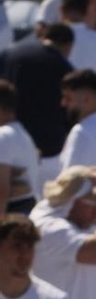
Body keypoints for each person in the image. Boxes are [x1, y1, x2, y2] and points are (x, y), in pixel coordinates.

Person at [0, 23, 70, 175]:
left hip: (7, 139)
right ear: (67, 46)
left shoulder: (10, 52)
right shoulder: (63, 66)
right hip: (47, 149)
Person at [0, 79, 43, 213]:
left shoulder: (4, 136)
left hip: (13, 212)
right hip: (25, 209)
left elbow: (2, 190)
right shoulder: (20, 134)